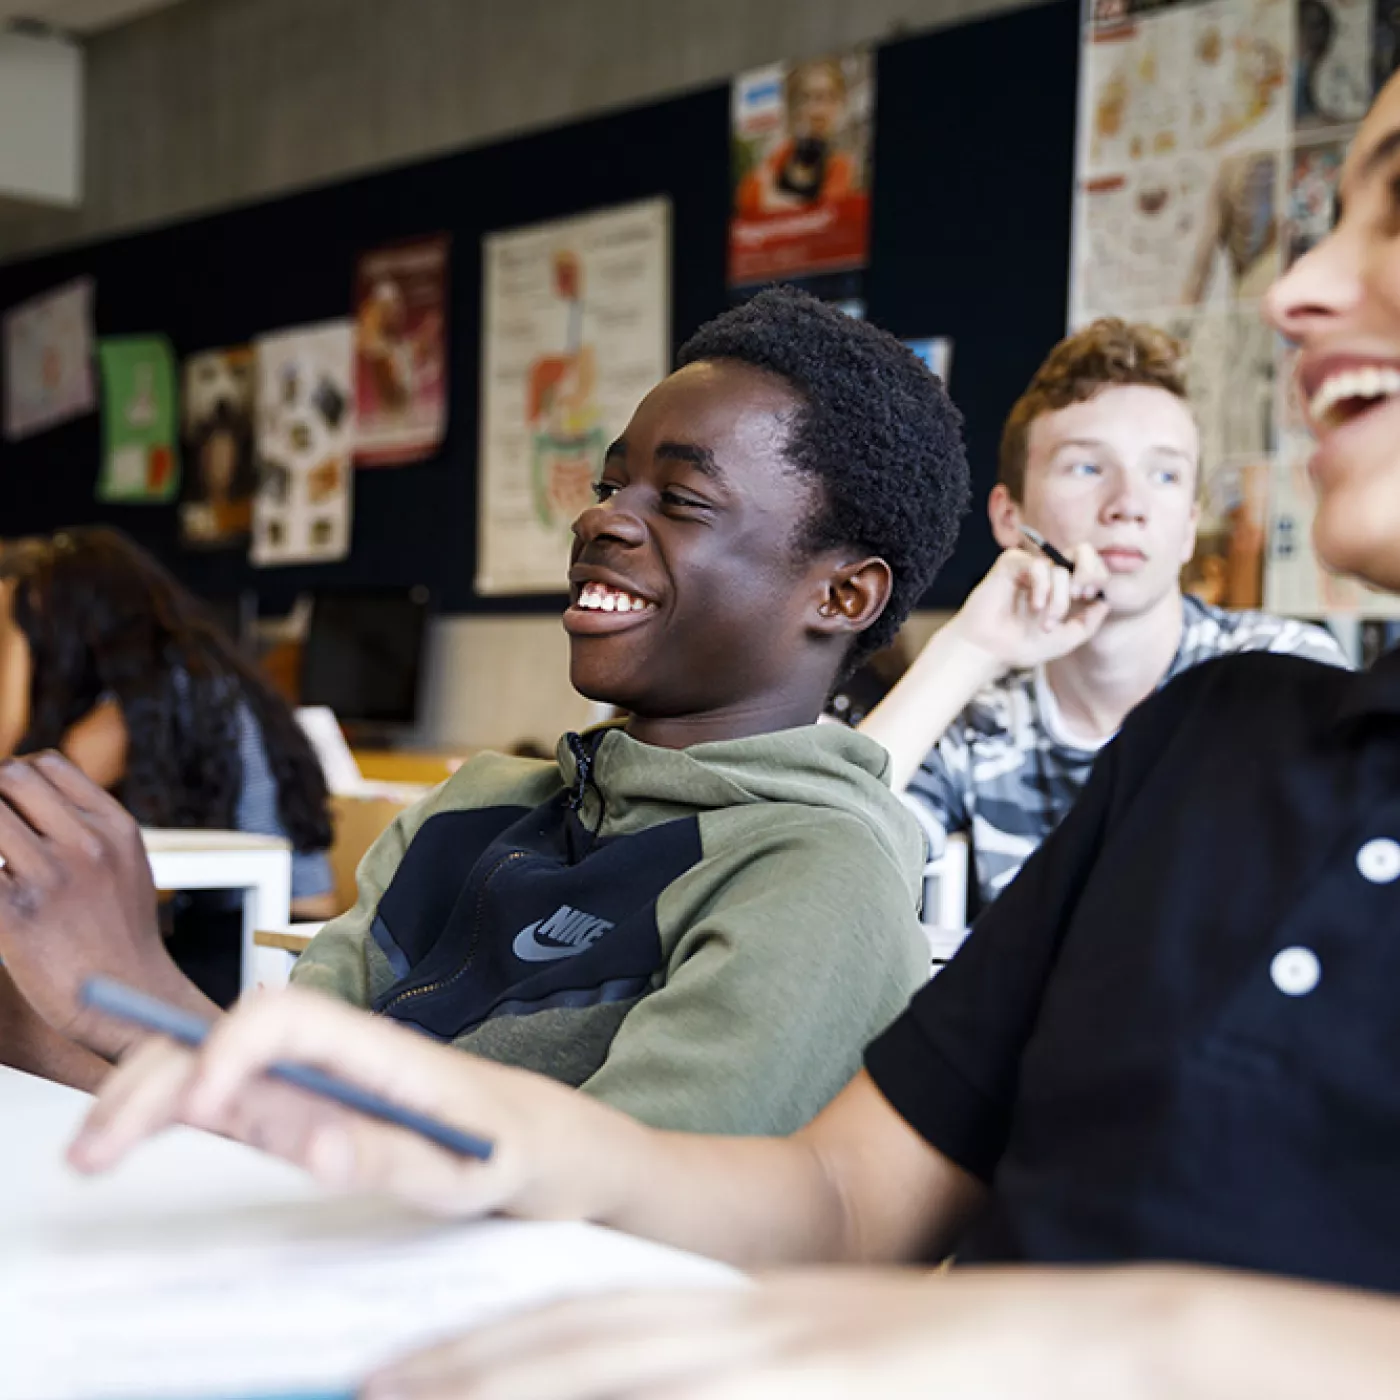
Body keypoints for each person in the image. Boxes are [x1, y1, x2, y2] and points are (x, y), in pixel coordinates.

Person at [66, 73, 1400, 1398]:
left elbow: (831, 837)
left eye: (1392, 209)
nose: (1296, 290)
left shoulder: (820, 860)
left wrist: (1126, 1340)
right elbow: (837, 1197)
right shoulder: (1215, 743)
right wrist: (500, 1129)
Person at [0, 287, 970, 1137]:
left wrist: (139, 997)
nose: (601, 516)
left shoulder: (813, 874)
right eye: (607, 483)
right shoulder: (480, 803)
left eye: (679, 497)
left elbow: (598, 1230)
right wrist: (40, 988)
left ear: (841, 596)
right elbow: (267, 1118)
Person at [859, 317, 1346, 923]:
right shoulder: (979, 718)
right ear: (1011, 517)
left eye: (1164, 474)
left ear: (1191, 527)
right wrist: (966, 648)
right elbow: (810, 854)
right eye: (1087, 468)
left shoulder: (1279, 675)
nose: (1128, 505)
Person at [0, 528, 334, 1009]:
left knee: (43, 991)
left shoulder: (148, 699)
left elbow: (26, 795)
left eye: (30, 625)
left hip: (269, 941)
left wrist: (16, 656)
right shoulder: (188, 675)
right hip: (269, 925)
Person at [736, 60, 857, 216]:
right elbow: (747, 199)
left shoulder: (842, 164)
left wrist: (772, 199)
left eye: (825, 98)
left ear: (838, 104)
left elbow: (825, 215)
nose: (816, 110)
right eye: (807, 98)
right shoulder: (783, 154)